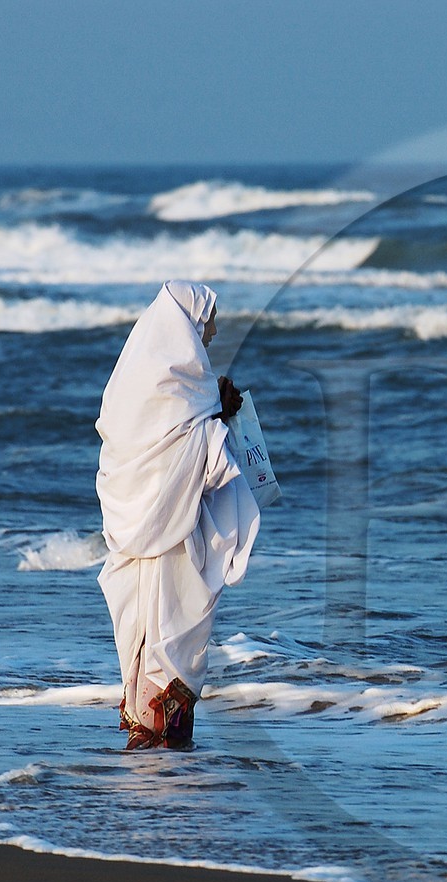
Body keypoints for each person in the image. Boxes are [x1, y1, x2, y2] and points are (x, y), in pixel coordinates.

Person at [95, 281, 260, 750]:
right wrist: (220, 419)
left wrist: (212, 413)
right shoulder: (187, 392)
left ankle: (149, 743)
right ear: (182, 325)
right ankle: (164, 770)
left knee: (146, 628)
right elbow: (203, 466)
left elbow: (144, 459)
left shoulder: (133, 386)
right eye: (205, 323)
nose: (211, 333)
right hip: (175, 541)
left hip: (134, 532)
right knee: (172, 625)